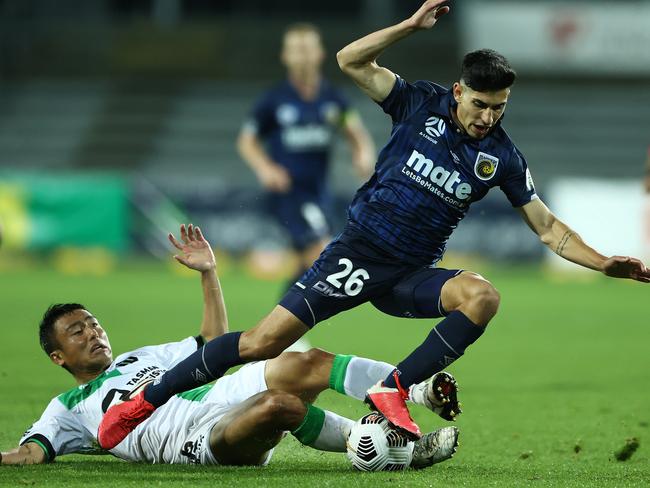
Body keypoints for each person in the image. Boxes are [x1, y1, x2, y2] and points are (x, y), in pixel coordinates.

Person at [99, 0, 650, 447]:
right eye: (481, 103)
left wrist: (603, 262)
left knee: (482, 297)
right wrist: (409, 26)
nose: (488, 117)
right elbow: (350, 61)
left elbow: (548, 228)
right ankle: (142, 403)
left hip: (412, 272)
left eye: (499, 107)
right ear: (459, 91)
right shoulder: (419, 105)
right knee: (260, 344)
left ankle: (394, 390)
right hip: (357, 255)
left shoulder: (503, 157)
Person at [1, 223, 459, 468]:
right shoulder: (65, 408)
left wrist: (208, 272)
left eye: (93, 323)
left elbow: (214, 345)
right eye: (77, 332)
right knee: (276, 405)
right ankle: (392, 446)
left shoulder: (137, 358)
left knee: (304, 361)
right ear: (58, 357)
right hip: (194, 439)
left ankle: (413, 391)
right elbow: (30, 453)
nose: (93, 333)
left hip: (215, 396)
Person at [237, 22, 375, 291]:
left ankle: (281, 325)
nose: (301, 55)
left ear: (319, 54)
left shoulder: (334, 100)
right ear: (285, 56)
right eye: (295, 50)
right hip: (288, 193)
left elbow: (357, 134)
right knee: (321, 252)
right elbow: (247, 141)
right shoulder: (274, 100)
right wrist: (265, 168)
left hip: (318, 193)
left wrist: (363, 156)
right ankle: (287, 325)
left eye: (306, 49)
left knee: (310, 262)